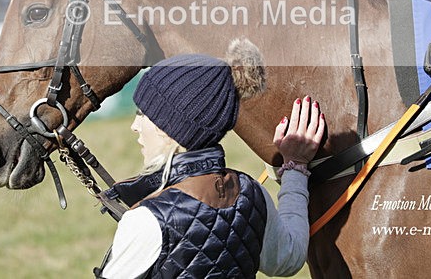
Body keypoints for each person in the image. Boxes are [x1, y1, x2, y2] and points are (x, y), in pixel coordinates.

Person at [96, 44, 325, 279]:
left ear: (167, 128)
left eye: (142, 114)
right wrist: (295, 167)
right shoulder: (253, 194)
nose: (135, 126)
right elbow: (289, 259)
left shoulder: (145, 221)